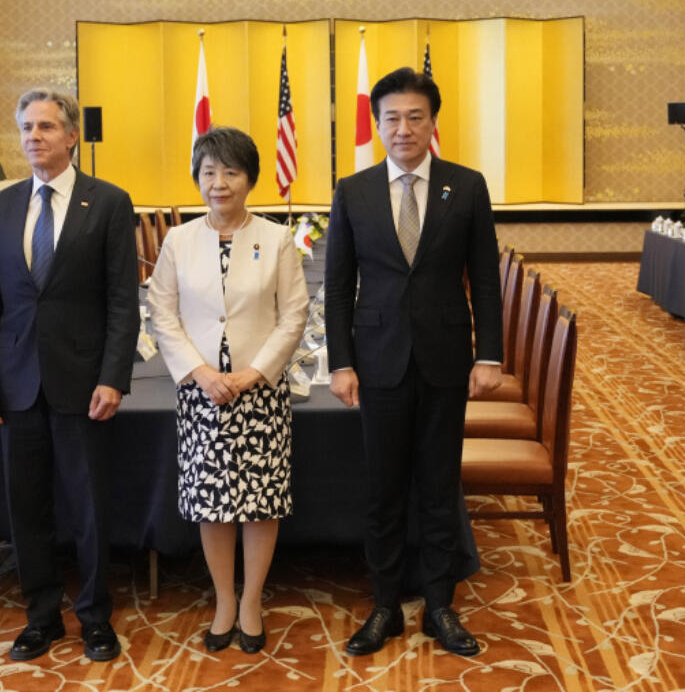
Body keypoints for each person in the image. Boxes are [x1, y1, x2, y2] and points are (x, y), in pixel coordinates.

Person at [325, 67, 502, 657]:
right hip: (377, 363)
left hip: (447, 359)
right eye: (392, 118)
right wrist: (341, 361)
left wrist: (490, 354)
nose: (403, 129)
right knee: (382, 488)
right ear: (377, 125)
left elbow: (484, 277)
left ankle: (441, 605)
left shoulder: (467, 186)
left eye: (415, 116)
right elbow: (338, 284)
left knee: (436, 483)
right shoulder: (354, 190)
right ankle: (383, 606)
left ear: (433, 122)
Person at [0, 88, 139, 663]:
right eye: (25, 127)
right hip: (15, 383)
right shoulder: (2, 206)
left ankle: (94, 616)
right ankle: (40, 615)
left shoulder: (110, 203)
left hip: (83, 382)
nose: (33, 137)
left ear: (71, 136)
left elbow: (123, 301)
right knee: (27, 507)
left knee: (89, 507)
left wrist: (115, 375)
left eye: (45, 126)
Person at [145, 127, 308, 654]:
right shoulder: (178, 240)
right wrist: (200, 372)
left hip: (259, 393)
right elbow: (162, 314)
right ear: (198, 178)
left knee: (260, 502)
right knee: (212, 502)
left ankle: (253, 599)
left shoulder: (276, 238)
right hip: (201, 393)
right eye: (209, 172)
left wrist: (255, 372)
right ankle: (222, 599)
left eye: (230, 172)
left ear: (250, 179)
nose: (219, 183)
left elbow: (294, 315)